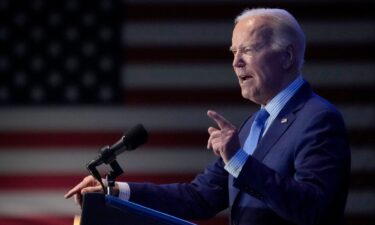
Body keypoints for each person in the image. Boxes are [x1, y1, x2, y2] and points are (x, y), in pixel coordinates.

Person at [65, 8, 350, 225]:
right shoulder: (254, 125)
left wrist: (238, 160)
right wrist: (115, 190)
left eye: (247, 50)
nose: (236, 62)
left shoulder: (318, 119)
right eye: (233, 52)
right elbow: (198, 198)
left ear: (287, 57)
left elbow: (315, 210)